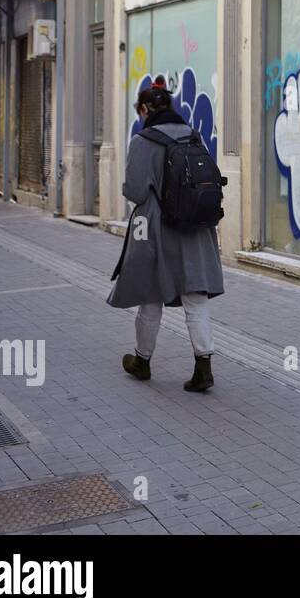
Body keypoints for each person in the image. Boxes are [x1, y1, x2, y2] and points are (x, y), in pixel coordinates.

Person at [108, 79, 225, 391]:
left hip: (157, 230)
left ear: (145, 109)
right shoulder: (193, 134)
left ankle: (142, 361)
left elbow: (134, 190)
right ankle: (204, 368)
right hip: (196, 228)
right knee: (195, 298)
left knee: (150, 295)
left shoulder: (143, 141)